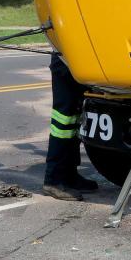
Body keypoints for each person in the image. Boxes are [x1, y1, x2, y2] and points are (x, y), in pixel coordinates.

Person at [42, 54, 99, 201]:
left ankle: (69, 175)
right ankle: (53, 180)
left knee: (75, 121)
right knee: (63, 123)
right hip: (65, 64)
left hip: (77, 64)